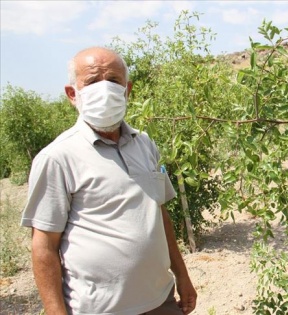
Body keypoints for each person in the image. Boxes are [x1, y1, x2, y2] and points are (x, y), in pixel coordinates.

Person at [21, 47, 197, 315]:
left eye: (113, 81)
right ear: (72, 94)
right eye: (92, 82)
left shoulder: (145, 144)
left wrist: (182, 276)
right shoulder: (57, 157)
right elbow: (44, 245)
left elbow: (158, 214)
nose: (104, 89)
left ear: (127, 89)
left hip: (162, 301)